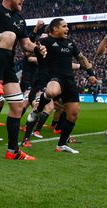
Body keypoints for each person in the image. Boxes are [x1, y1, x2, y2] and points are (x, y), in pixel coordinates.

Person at [0, 0, 45, 160]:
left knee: (17, 107)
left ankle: (12, 151)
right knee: (9, 35)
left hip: (6, 63)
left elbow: (26, 45)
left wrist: (38, 48)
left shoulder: (20, 20)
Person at [22, 19, 97, 154]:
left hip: (69, 80)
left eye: (67, 26)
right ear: (55, 28)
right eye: (64, 26)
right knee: (51, 92)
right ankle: (27, 136)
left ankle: (61, 145)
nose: (67, 28)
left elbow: (81, 58)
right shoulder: (44, 41)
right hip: (49, 78)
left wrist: (91, 73)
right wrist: (37, 48)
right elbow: (27, 53)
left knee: (73, 113)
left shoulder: (70, 43)